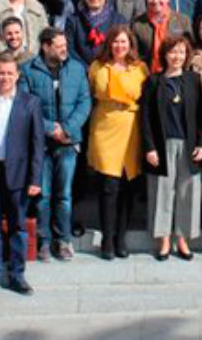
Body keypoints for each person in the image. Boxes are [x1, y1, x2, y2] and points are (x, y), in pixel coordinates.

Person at [0, 53, 44, 296]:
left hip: (18, 173)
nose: (4, 77)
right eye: (1, 72)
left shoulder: (30, 102)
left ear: (17, 75)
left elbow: (37, 144)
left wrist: (35, 179)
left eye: (9, 73)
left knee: (17, 225)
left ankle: (17, 274)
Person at [19, 28, 91, 261]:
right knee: (43, 195)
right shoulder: (29, 70)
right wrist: (51, 129)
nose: (64, 50)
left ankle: (63, 240)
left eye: (65, 45)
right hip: (41, 145)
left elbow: (84, 102)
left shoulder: (77, 69)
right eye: (59, 46)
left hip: (68, 143)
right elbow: (25, 106)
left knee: (64, 195)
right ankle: (44, 241)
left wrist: (67, 129)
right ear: (45, 46)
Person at [87, 26, 149, 260]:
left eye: (123, 42)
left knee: (128, 186)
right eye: (115, 42)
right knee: (108, 186)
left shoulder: (140, 68)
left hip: (131, 128)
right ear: (109, 44)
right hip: (105, 126)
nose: (119, 46)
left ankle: (121, 237)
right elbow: (92, 93)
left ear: (130, 44)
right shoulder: (96, 67)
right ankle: (107, 238)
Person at [140, 36, 202, 260]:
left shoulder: (194, 80)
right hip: (162, 145)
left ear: (186, 55)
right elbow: (145, 117)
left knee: (188, 192)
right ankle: (164, 239)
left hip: (188, 145)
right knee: (162, 193)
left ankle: (182, 239)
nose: (176, 56)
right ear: (164, 55)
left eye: (181, 52)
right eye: (172, 52)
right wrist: (149, 148)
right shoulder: (153, 81)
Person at [132, 0, 193, 73]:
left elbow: (190, 50)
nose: (155, 1)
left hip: (176, 75)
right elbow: (134, 53)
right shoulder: (137, 24)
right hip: (147, 76)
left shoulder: (183, 21)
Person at [66, 0, 126, 67]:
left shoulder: (119, 20)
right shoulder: (73, 20)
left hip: (112, 69)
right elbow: (69, 49)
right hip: (82, 71)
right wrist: (86, 69)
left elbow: (124, 47)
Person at [0, 17, 33, 86]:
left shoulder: (33, 59)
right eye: (9, 34)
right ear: (3, 36)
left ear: (22, 34)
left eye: (17, 32)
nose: (14, 37)